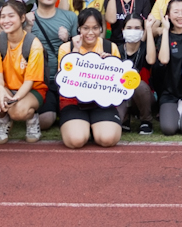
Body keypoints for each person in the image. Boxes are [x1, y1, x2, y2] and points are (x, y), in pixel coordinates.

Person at [54, 8, 127, 148]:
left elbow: (119, 83)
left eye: (95, 28)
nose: (90, 32)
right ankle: (83, 127)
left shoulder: (109, 47)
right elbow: (63, 81)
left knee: (108, 139)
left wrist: (112, 64)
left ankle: (95, 128)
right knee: (76, 141)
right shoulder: (66, 48)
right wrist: (75, 52)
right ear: (78, 28)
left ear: (101, 28)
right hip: (73, 102)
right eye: (85, 28)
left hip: (102, 103)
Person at [0, 0, 48, 142]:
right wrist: (0, 90)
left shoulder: (34, 44)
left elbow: (29, 82)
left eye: (11, 16)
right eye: (3, 16)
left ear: (22, 18)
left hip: (31, 90)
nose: (6, 20)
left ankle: (32, 119)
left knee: (17, 111)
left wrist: (14, 100)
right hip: (7, 87)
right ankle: (4, 120)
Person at [146, 0, 182, 136]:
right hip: (170, 93)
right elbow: (163, 59)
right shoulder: (165, 37)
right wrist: (165, 30)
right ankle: (174, 111)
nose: (180, 16)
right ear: (168, 15)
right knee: (169, 129)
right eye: (175, 12)